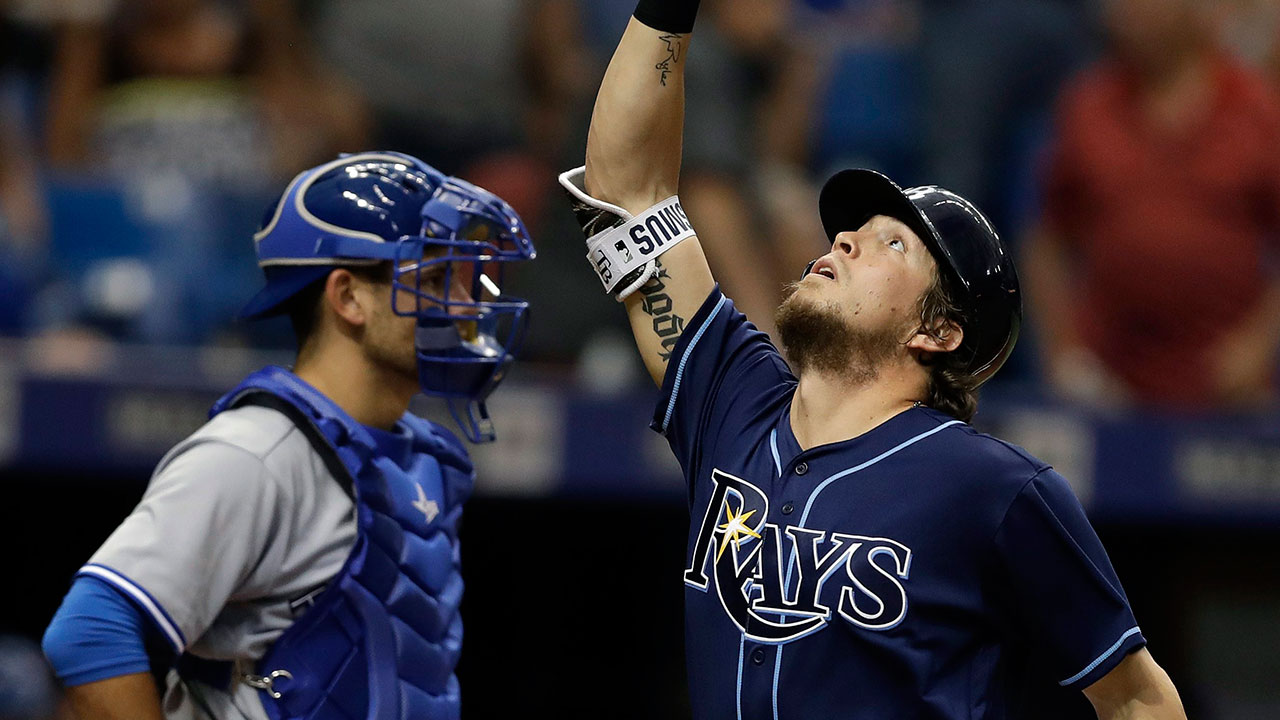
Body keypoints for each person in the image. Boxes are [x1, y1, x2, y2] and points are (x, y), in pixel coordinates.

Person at [558, 2, 1187, 718]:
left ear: (940, 330)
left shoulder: (993, 487)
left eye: (893, 244)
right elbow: (626, 194)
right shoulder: (730, 397)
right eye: (852, 229)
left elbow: (1138, 698)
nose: (846, 239)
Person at [41, 151, 536, 719]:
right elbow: (90, 630)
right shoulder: (259, 450)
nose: (463, 307)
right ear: (347, 296)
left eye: (463, 282)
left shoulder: (422, 457)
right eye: (431, 279)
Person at [1025, 0, 1280, 412]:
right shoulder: (1087, 106)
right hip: (1109, 392)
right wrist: (1066, 353)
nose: (1125, 10)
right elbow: (1046, 239)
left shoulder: (1257, 109)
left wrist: (1257, 345)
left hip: (1226, 398)